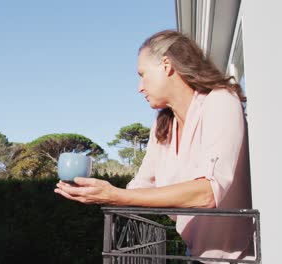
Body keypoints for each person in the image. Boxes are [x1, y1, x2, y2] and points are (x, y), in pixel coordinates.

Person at [54, 29, 254, 263]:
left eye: (143, 74)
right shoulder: (164, 126)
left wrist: (115, 195)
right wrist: (94, 191)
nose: (139, 87)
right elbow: (141, 186)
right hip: (195, 257)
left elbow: (208, 193)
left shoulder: (220, 101)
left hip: (239, 259)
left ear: (167, 65)